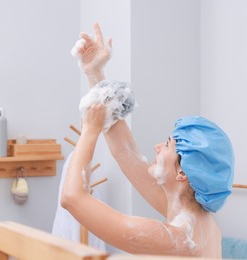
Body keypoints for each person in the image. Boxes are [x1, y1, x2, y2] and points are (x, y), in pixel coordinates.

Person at [61, 22, 234, 258]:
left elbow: (72, 198)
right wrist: (95, 75)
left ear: (183, 172)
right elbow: (125, 152)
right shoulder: (197, 219)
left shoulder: (181, 239)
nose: (157, 147)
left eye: (167, 145)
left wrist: (90, 129)